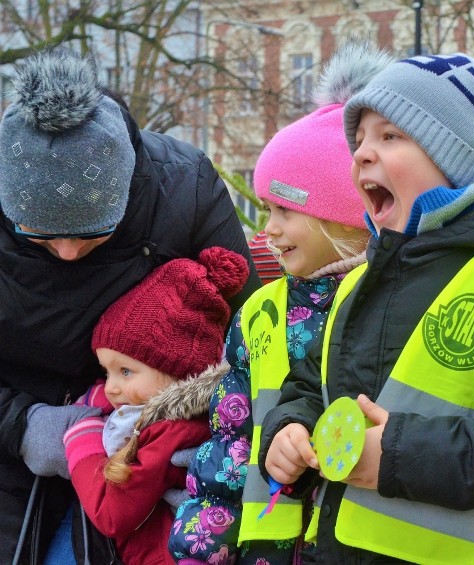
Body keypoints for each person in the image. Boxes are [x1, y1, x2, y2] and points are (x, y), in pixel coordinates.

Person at [259, 48, 474, 564]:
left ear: (458, 159)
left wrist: (397, 455)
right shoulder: (357, 283)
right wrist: (289, 431)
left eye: (390, 136)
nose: (362, 154)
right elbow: (310, 384)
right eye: (361, 139)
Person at [0, 47, 261, 562]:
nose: (70, 252)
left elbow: (248, 333)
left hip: (154, 430)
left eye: (91, 234)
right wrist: (25, 424)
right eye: (42, 236)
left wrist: (195, 421)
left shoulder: (183, 184)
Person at [169, 42, 375, 565]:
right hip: (265, 545)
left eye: (286, 210)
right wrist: (201, 542)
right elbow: (230, 440)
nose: (269, 230)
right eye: (265, 209)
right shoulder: (259, 312)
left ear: (345, 214)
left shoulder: (384, 302)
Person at [60, 247, 248, 564]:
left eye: (125, 372)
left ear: (176, 371)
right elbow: (131, 395)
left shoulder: (168, 434)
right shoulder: (184, 415)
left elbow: (111, 514)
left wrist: (82, 439)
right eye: (107, 372)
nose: (111, 387)